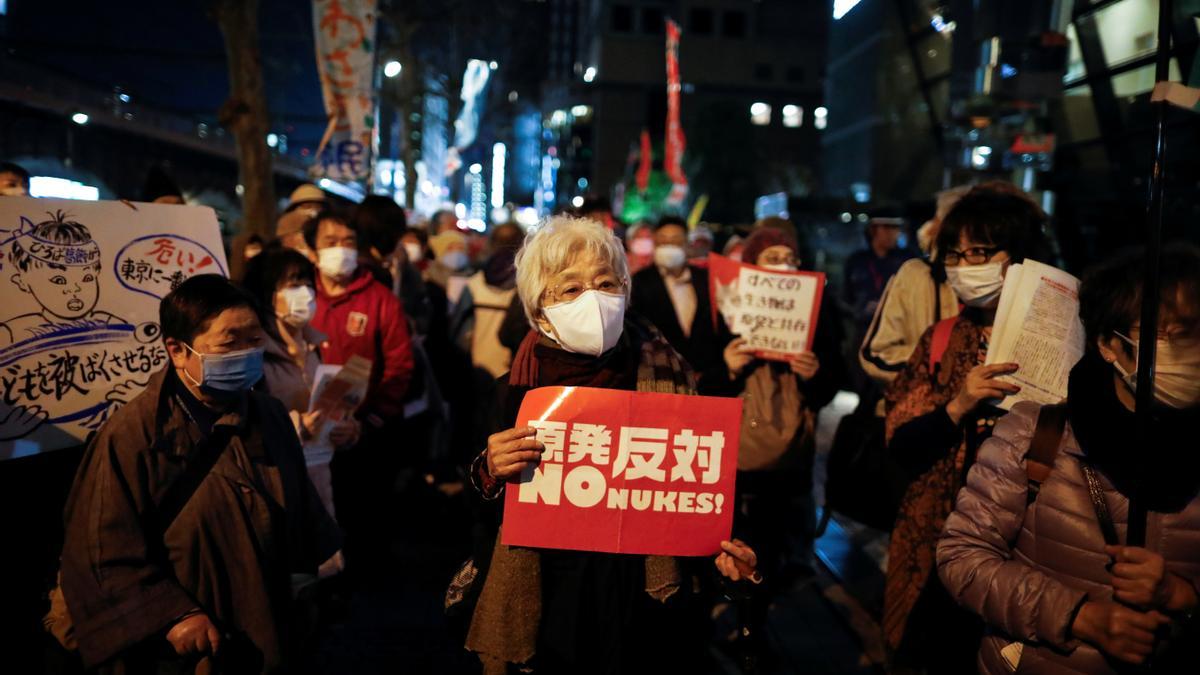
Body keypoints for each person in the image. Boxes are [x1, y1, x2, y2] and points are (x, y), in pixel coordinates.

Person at [464, 216, 759, 674]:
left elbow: (698, 495)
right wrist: (490, 468)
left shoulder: (671, 380)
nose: (593, 300)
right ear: (540, 309)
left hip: (644, 599)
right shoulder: (514, 393)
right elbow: (484, 510)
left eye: (606, 284)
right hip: (552, 595)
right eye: (571, 290)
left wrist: (725, 557)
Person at [938, 242, 1200, 674]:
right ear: (1109, 345)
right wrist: (1080, 617)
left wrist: (1180, 595)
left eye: (1195, 336)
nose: (1187, 355)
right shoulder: (1038, 433)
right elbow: (962, 555)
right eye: (1166, 337)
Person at [60, 274, 341, 674]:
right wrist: (173, 615)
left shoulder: (270, 415)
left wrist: (306, 575)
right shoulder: (132, 435)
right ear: (177, 350)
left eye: (255, 340)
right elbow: (101, 551)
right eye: (230, 342)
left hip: (270, 621)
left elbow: (300, 515)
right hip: (187, 646)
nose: (247, 353)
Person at [881, 190, 1052, 673]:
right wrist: (957, 404)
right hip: (936, 544)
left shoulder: (1062, 340)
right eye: (955, 255)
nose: (964, 265)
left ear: (1018, 257)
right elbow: (900, 444)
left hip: (1025, 557)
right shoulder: (939, 339)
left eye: (979, 252)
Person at [699, 227, 845, 614]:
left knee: (777, 539)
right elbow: (698, 380)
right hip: (736, 452)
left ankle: (766, 608)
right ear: (752, 266)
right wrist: (726, 369)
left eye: (790, 258)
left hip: (790, 451)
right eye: (773, 258)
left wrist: (815, 375)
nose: (784, 265)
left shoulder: (818, 307)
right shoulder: (724, 306)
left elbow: (831, 383)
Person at [305, 209, 415, 573]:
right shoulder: (300, 298)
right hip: (307, 434)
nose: (340, 250)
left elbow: (400, 365)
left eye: (348, 242)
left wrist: (370, 418)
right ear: (312, 251)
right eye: (330, 242)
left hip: (362, 433)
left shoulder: (381, 299)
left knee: (364, 519)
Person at [242, 246, 360, 517]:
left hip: (318, 482)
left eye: (308, 284)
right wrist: (297, 427)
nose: (306, 293)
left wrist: (346, 428)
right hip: (275, 489)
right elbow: (248, 423)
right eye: (294, 285)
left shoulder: (314, 345)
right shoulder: (255, 353)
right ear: (267, 294)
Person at [859, 188, 968, 388]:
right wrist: (935, 360)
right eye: (889, 228)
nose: (895, 233)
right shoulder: (914, 271)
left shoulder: (903, 257)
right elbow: (876, 354)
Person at [630, 216, 719, 374]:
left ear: (687, 244)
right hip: (661, 373)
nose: (669, 246)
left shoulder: (706, 279)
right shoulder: (640, 281)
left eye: (676, 240)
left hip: (707, 374)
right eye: (663, 241)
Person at [451, 223, 524, 378]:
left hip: (478, 369)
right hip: (512, 370)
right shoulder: (526, 287)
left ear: (491, 243)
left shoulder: (474, 284)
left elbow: (460, 333)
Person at [275, 184, 328, 261]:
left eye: (317, 207)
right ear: (295, 207)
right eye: (307, 206)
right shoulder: (288, 220)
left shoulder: (326, 222)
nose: (313, 210)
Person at [426, 228, 474, 305]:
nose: (456, 252)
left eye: (461, 248)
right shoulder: (428, 278)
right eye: (450, 248)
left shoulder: (473, 278)